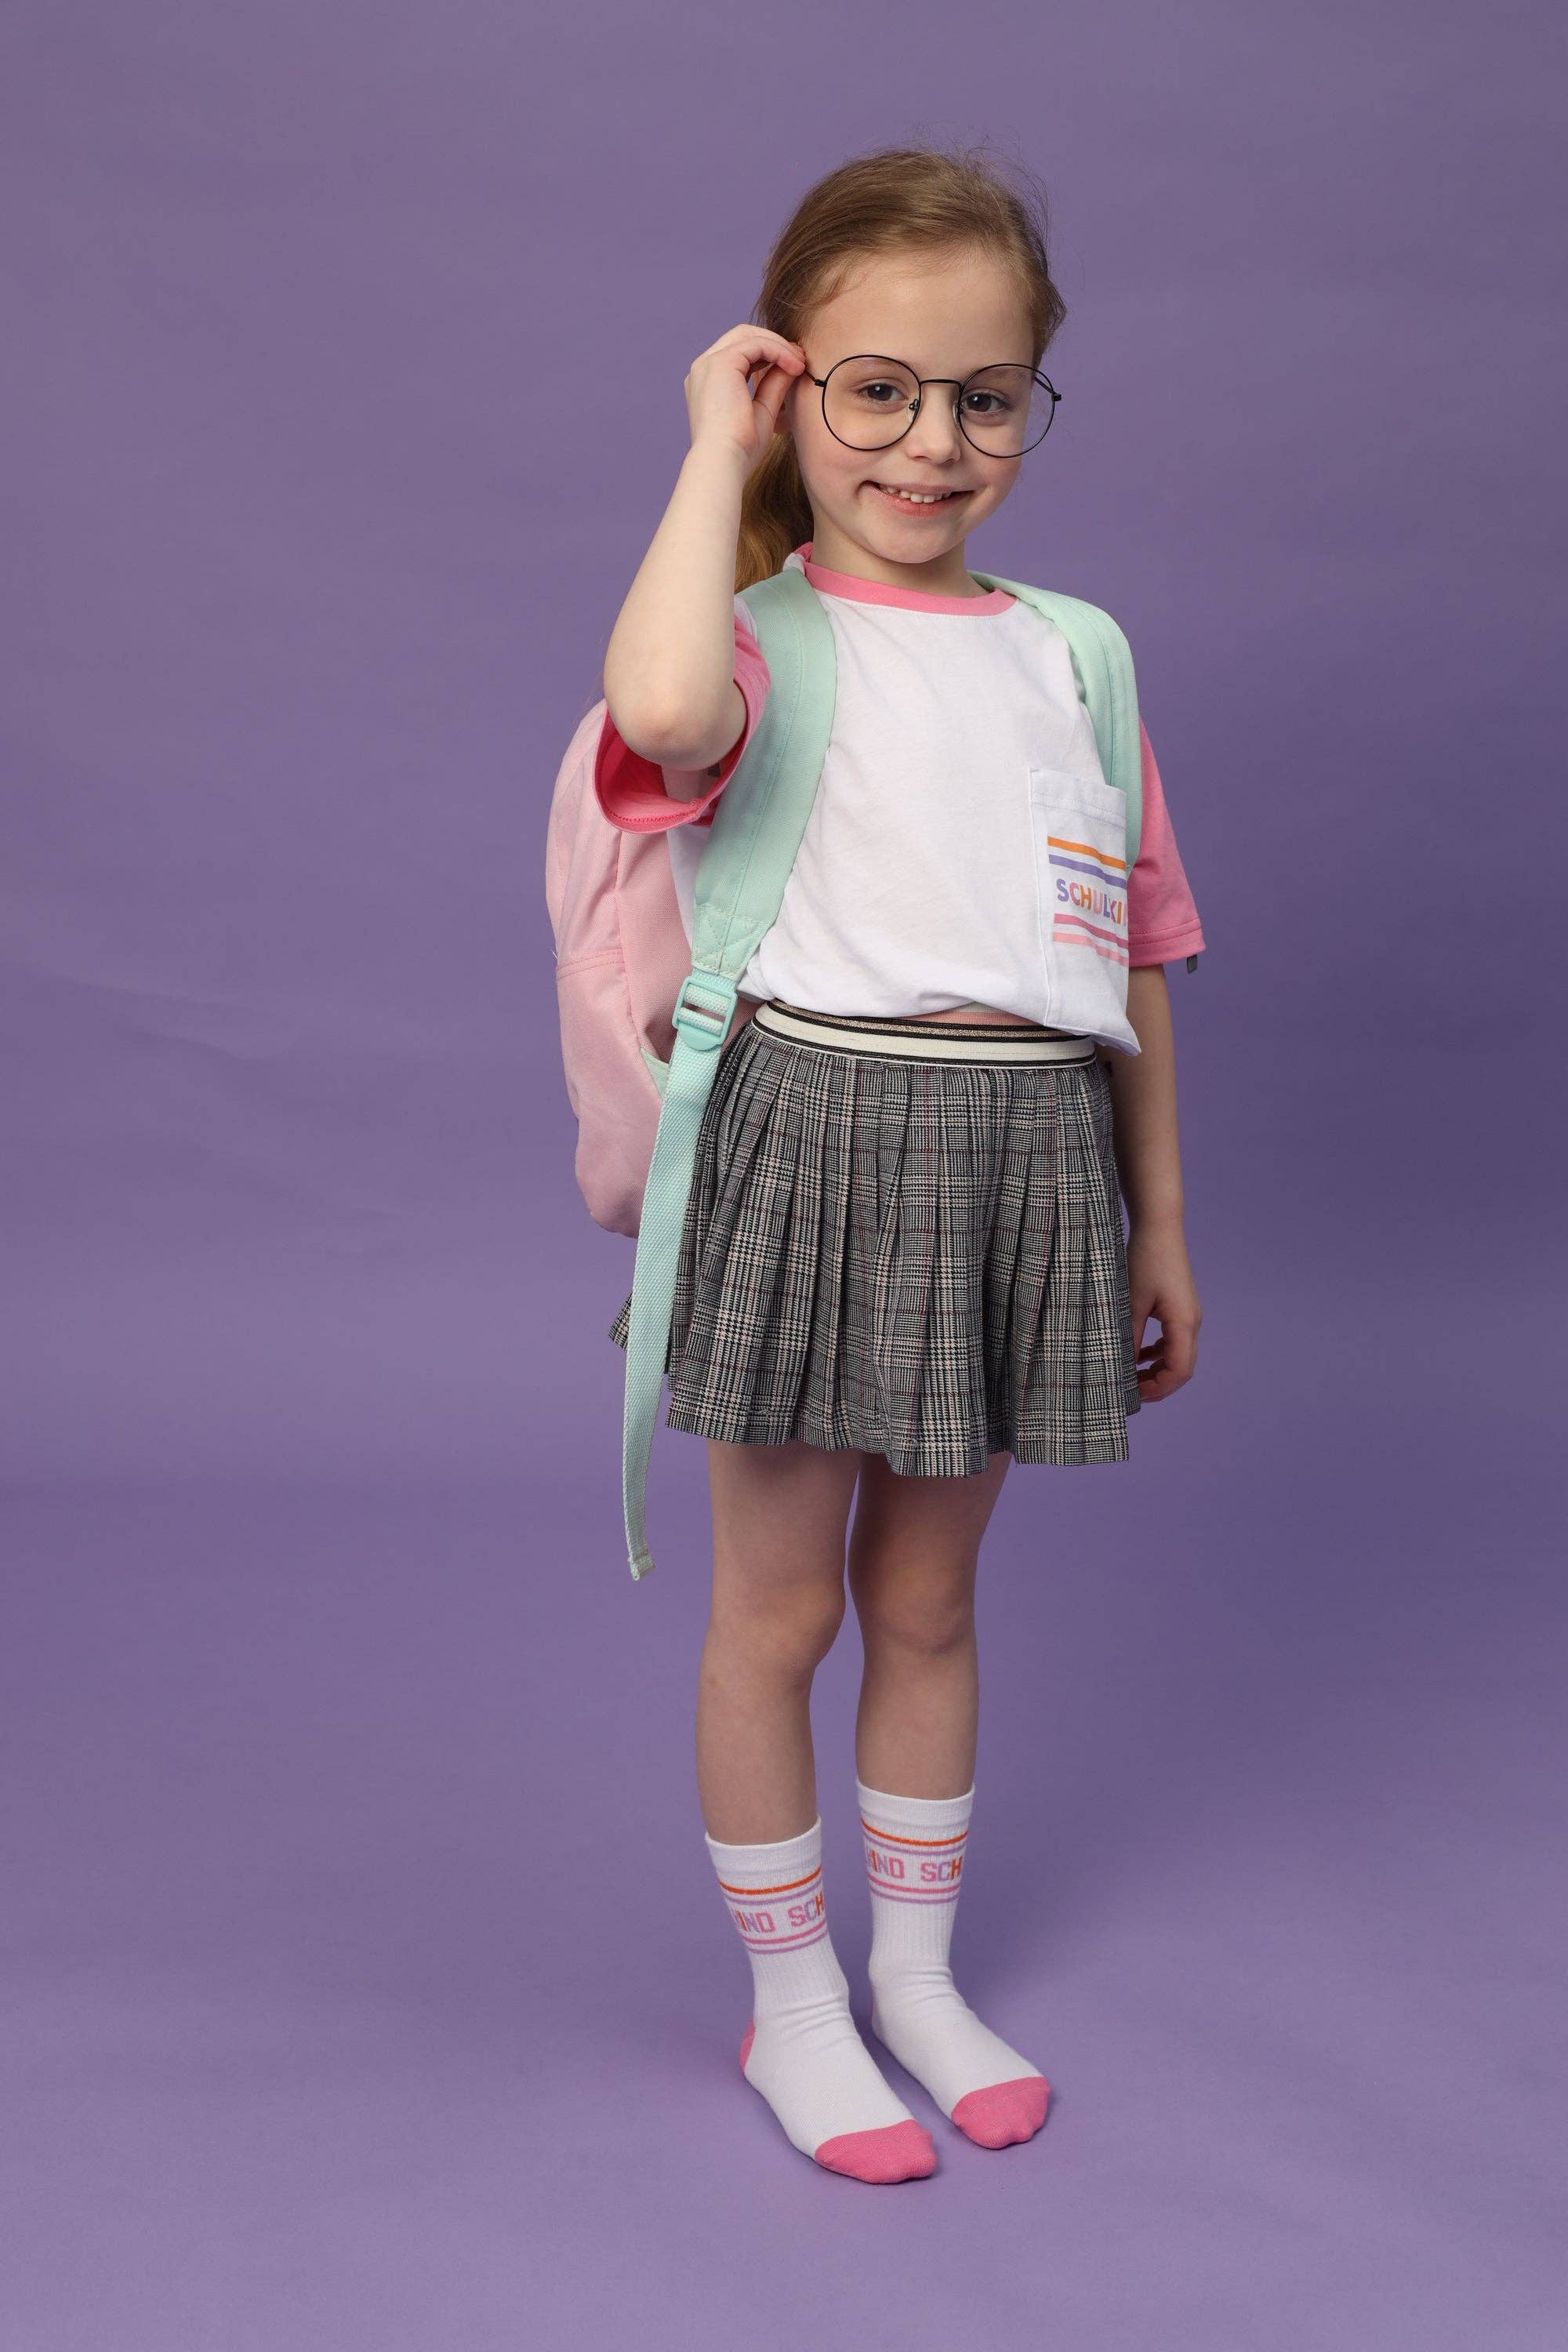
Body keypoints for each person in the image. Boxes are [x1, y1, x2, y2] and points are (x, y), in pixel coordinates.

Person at [593, 144, 1205, 2183]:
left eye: (985, 396)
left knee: (929, 1606)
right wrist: (715, 445)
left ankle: (920, 1980)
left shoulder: (1077, 654)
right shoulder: (755, 638)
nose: (933, 441)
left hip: (1027, 1154)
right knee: (778, 1613)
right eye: (875, 389)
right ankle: (794, 2010)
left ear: (1033, 403)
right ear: (793, 387)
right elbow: (657, 701)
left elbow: (1131, 955)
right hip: (814, 1135)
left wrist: (1162, 1219)